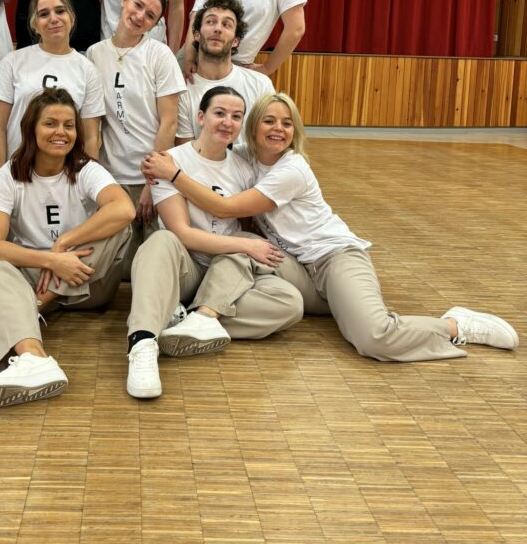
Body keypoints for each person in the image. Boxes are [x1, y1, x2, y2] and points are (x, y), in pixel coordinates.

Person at [143, 91, 520, 363]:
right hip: (294, 266)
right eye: (269, 121)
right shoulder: (244, 158)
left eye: (287, 123)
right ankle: (201, 316)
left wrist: (172, 174)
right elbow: (208, 161)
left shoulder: (292, 168)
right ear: (252, 127)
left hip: (333, 257)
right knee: (242, 242)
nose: (278, 129)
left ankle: (455, 326)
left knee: (373, 337)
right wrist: (158, 173)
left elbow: (224, 206)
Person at [126, 87, 304, 399]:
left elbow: (247, 223)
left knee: (289, 303)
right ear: (201, 117)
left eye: (236, 116)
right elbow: (183, 233)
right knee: (161, 240)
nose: (227, 122)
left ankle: (190, 319)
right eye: (219, 113)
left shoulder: (244, 168)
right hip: (187, 268)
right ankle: (142, 344)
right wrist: (245, 246)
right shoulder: (169, 162)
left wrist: (246, 247)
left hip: (225, 273)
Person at [0, 88, 135, 407]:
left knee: (119, 226)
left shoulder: (86, 168)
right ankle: (34, 359)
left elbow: (124, 210)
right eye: (50, 123)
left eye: (69, 125)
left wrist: (64, 243)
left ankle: (35, 307)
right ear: (31, 129)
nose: (61, 132)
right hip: (35, 275)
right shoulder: (8, 175)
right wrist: (50, 260)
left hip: (86, 281)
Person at [86, 0, 186, 252]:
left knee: (153, 256)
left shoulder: (160, 55)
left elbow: (169, 123)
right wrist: (94, 179)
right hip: (112, 177)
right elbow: (93, 125)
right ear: (124, 0)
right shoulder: (95, 53)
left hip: (151, 177)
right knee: (115, 264)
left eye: (150, 15)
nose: (140, 16)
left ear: (155, 24)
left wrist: (153, 183)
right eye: (137, 5)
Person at [0, 0, 104, 170]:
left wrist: (89, 182)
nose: (53, 19)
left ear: (72, 17)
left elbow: (91, 138)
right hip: (18, 172)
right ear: (34, 24)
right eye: (44, 14)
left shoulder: (88, 70)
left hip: (66, 174)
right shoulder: (13, 61)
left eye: (60, 11)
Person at [176, 0, 272, 144]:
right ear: (197, 35)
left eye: (226, 24)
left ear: (235, 41)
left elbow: (268, 144)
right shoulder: (182, 90)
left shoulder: (260, 84)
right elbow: (186, 152)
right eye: (210, 22)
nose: (218, 29)